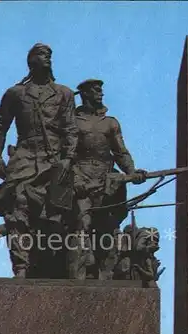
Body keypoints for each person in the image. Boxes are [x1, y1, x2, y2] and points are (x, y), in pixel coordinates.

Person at [0, 43, 78, 278]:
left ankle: (49, 268)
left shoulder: (63, 93)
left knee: (56, 217)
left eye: (49, 55)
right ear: (31, 60)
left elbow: (71, 130)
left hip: (54, 160)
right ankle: (21, 267)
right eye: (42, 54)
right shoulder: (16, 93)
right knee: (18, 208)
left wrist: (67, 159)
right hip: (24, 157)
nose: (47, 58)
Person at [69, 78, 147, 279]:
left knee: (109, 229)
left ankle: (105, 276)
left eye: (101, 90)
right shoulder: (73, 122)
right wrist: (76, 179)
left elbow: (121, 152)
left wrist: (132, 172)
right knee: (82, 224)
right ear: (85, 94)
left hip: (107, 180)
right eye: (96, 90)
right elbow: (67, 156)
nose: (101, 94)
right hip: (82, 177)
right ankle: (77, 278)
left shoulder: (111, 123)